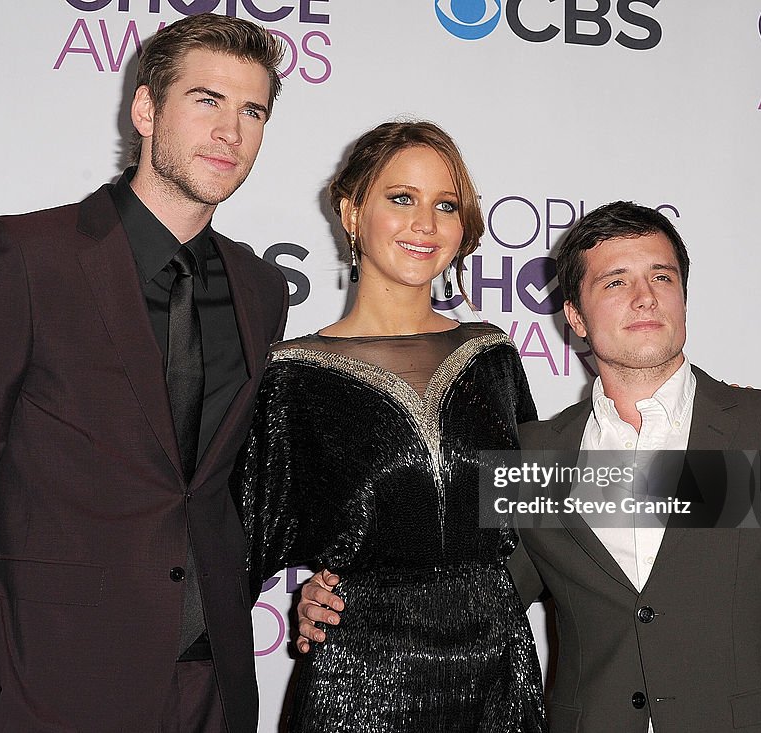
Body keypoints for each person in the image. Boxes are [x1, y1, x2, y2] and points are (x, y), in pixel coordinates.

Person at [298, 201, 761, 733]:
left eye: (662, 277)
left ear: (684, 299)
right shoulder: (538, 454)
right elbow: (478, 594)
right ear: (574, 315)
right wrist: (347, 601)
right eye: (615, 283)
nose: (644, 297)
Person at [0, 14, 287, 733]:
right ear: (145, 109)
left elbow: (222, 488)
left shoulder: (261, 290)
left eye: (252, 110)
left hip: (215, 688)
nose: (231, 130)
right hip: (47, 689)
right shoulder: (21, 258)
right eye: (206, 100)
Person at [232, 121, 547, 732]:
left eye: (445, 205)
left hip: (496, 673)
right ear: (352, 213)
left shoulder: (492, 358)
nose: (424, 223)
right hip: (358, 674)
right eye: (401, 198)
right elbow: (230, 548)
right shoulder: (292, 376)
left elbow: (547, 520)